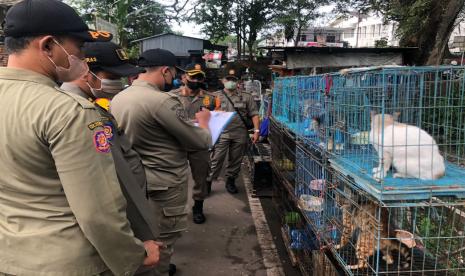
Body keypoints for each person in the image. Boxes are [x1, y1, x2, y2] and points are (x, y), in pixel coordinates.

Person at [0, 0, 159, 276]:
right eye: (79, 48)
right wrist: (134, 255)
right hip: (65, 261)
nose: (83, 58)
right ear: (48, 45)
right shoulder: (68, 112)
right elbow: (97, 213)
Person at [60, 41, 161, 275]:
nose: (121, 82)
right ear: (86, 72)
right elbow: (116, 181)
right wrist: (140, 240)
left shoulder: (91, 106)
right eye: (112, 75)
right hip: (116, 230)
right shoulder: (83, 115)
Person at [111, 49, 212, 276]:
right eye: (173, 73)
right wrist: (204, 123)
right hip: (164, 183)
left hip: (134, 180)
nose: (173, 78)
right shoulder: (161, 101)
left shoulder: (120, 97)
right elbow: (199, 141)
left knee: (142, 234)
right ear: (166, 71)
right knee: (162, 240)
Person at [171, 63, 218, 224]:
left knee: (201, 177)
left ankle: (198, 207)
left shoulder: (209, 98)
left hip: (199, 144)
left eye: (199, 77)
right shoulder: (171, 96)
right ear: (184, 77)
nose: (196, 80)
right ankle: (173, 210)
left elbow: (215, 119)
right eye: (193, 77)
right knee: (174, 178)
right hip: (177, 144)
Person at [208, 69, 260, 194]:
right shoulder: (214, 96)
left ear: (237, 82)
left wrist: (257, 131)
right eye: (228, 79)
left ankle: (230, 181)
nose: (230, 82)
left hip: (240, 133)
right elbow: (206, 114)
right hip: (221, 133)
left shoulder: (246, 96)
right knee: (216, 159)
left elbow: (254, 114)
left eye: (233, 80)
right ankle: (207, 182)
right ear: (223, 81)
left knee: (236, 159)